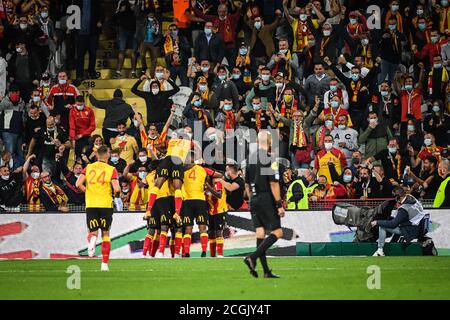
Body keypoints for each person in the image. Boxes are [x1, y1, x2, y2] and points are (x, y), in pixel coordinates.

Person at [243, 130, 284, 279]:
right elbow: (274, 183)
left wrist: (252, 199)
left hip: (253, 199)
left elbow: (246, 184)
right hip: (266, 198)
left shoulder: (250, 159)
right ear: (270, 142)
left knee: (260, 233)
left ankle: (266, 271)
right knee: (278, 232)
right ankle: (252, 257)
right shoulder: (270, 159)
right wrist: (279, 204)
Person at [76, 145, 122, 272]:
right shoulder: (111, 169)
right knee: (106, 234)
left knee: (93, 231)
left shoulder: (88, 167)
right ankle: (104, 264)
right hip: (105, 204)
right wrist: (116, 195)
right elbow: (117, 189)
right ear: (107, 155)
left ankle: (92, 240)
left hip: (91, 204)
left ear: (97, 155)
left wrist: (88, 192)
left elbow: (78, 184)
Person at [180, 157, 219, 257]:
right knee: (202, 227)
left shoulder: (182, 169)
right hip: (200, 201)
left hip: (187, 202)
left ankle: (187, 252)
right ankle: (204, 251)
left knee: (188, 228)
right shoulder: (204, 169)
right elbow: (219, 175)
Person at [372, 186, 426, 256]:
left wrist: (377, 222)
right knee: (395, 223)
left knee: (382, 226)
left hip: (410, 231)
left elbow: (393, 224)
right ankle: (390, 244)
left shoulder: (403, 208)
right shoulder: (411, 198)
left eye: (394, 196)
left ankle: (380, 250)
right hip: (416, 227)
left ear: (397, 197)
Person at [206, 177, 228, 257]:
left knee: (218, 232)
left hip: (220, 211)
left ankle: (220, 255)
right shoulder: (206, 186)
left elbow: (219, 195)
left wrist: (208, 187)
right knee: (211, 233)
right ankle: (212, 255)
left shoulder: (218, 183)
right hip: (210, 212)